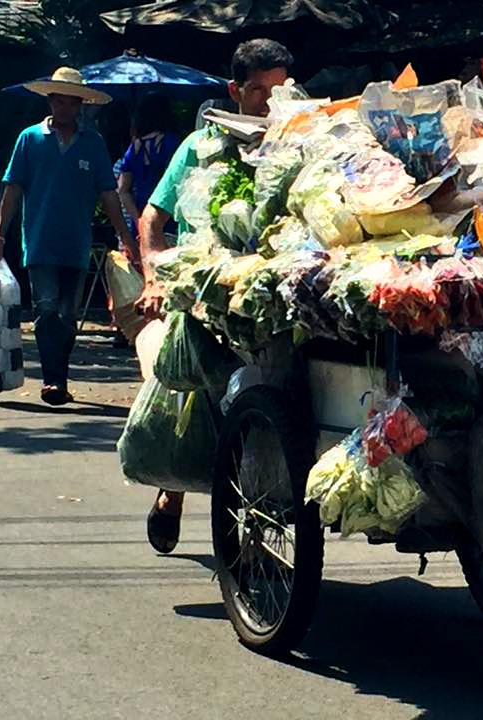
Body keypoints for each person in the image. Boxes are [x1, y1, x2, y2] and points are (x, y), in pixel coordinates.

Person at [134, 39, 294, 554]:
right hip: (201, 296)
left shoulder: (299, 145)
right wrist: (156, 278)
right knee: (193, 399)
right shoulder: (200, 147)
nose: (268, 103)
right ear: (234, 91)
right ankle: (173, 491)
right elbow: (152, 218)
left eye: (279, 90)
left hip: (266, 296)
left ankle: (258, 501)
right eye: (256, 91)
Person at [0, 67, 133, 406]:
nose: (65, 109)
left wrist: (126, 235)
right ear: (50, 101)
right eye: (60, 102)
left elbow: (108, 194)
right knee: (47, 308)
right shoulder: (30, 139)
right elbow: (13, 189)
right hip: (39, 241)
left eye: (72, 103)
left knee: (68, 316)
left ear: (81, 105)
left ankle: (60, 374)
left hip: (76, 243)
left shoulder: (93, 144)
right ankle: (54, 379)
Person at [117, 92, 181, 250]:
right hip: (168, 222)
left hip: (140, 223)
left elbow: (123, 190)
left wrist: (138, 220)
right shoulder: (173, 143)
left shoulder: (135, 148)